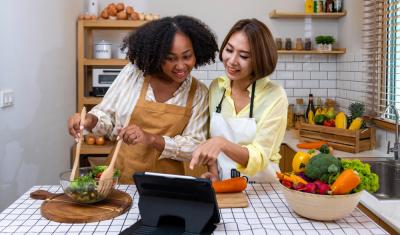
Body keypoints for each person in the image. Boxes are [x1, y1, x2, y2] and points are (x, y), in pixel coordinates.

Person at [68, 15, 218, 184]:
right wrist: (89, 120)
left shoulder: (199, 93)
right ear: (157, 55)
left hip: (172, 184)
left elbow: (194, 146)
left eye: (187, 56)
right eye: (170, 58)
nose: (181, 65)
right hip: (123, 178)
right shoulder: (134, 74)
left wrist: (151, 138)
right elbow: (107, 117)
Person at [189, 19, 288, 183]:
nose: (232, 60)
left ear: (260, 59)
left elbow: (260, 156)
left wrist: (222, 143)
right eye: (229, 50)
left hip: (261, 189)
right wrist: (214, 173)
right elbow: (210, 142)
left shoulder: (275, 96)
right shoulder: (217, 88)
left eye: (244, 56)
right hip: (225, 186)